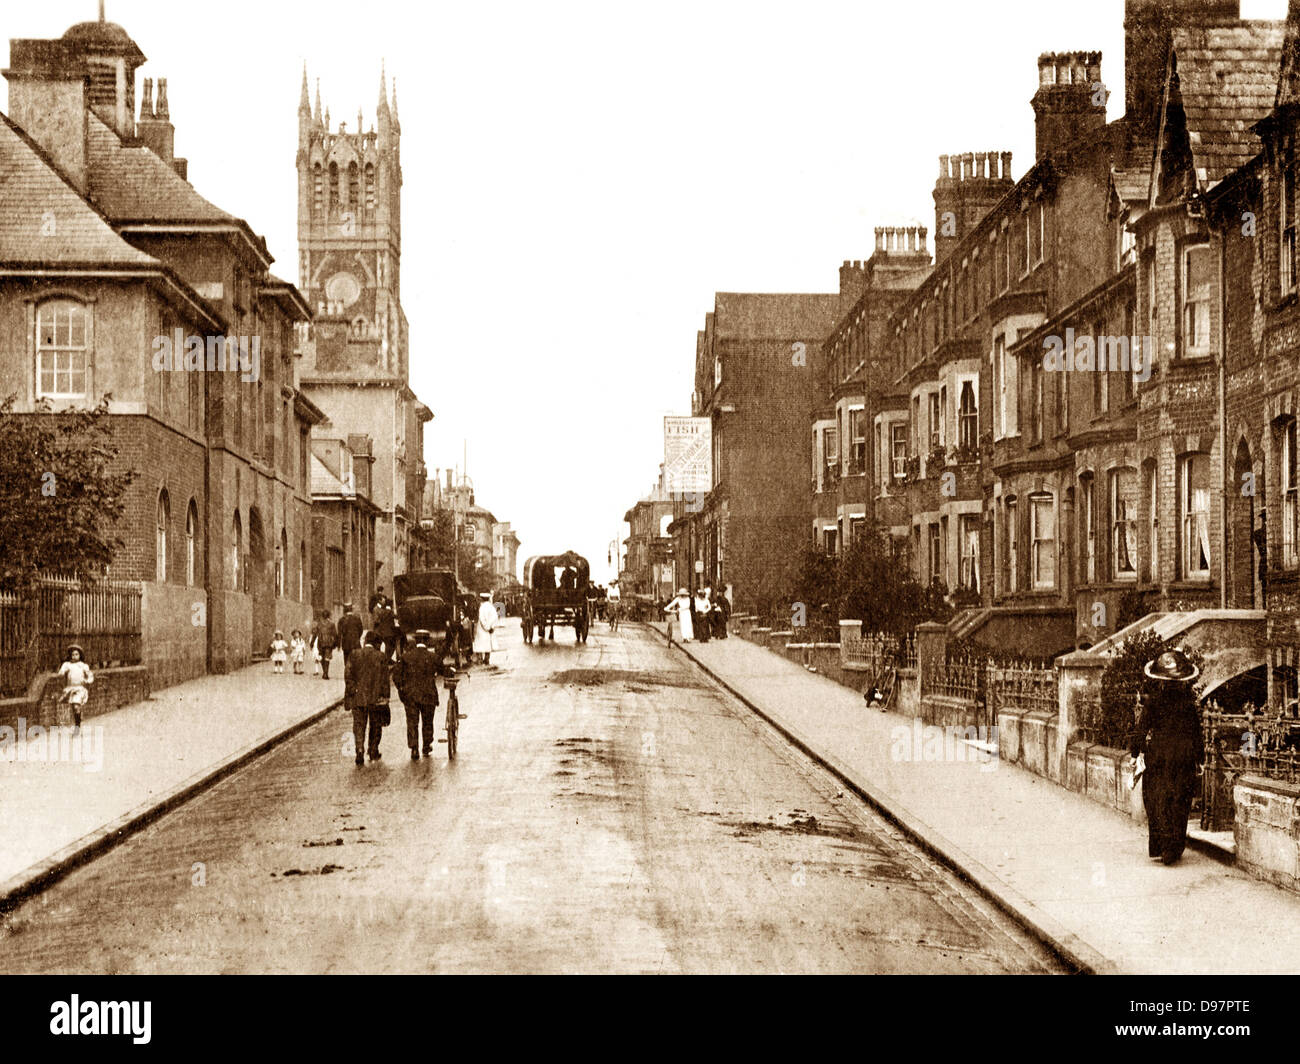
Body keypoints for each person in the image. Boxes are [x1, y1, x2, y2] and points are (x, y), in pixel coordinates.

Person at [1130, 649, 1203, 865]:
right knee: (1180, 800)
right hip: (1184, 756)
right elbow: (1196, 732)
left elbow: (1141, 729)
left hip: (1160, 755)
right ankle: (1174, 848)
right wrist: (1200, 759)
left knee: (1157, 799)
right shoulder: (1188, 703)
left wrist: (1135, 754)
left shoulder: (1154, 701)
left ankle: (1161, 845)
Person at [393, 629, 440, 760]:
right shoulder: (433, 657)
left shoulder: (406, 657)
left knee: (412, 722)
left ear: (415, 640)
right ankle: (426, 745)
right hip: (428, 694)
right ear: (428, 641)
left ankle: (414, 749)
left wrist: (402, 689)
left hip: (411, 695)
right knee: (427, 721)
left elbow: (396, 676)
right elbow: (443, 670)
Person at [346, 632, 391, 765]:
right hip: (376, 699)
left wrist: (352, 690)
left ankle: (359, 749)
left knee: (359, 725)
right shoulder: (381, 657)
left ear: (365, 641)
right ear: (377, 643)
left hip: (358, 697)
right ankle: (373, 750)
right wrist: (385, 696)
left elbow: (348, 675)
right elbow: (385, 680)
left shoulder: (354, 654)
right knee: (375, 725)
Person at [58, 644, 94, 733]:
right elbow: (61, 673)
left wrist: (87, 680)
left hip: (79, 689)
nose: (74, 656)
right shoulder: (67, 664)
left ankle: (77, 727)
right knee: (72, 708)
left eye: (76, 654)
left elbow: (90, 676)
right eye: (73, 654)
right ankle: (75, 723)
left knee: (76, 706)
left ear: (80, 655)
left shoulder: (83, 665)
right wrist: (62, 671)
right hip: (70, 688)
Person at [337, 603, 364, 673]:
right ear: (351, 609)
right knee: (356, 658)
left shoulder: (342, 620)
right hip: (356, 643)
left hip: (346, 643)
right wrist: (357, 637)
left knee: (346, 659)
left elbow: (339, 633)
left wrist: (338, 645)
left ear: (344, 610)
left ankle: (348, 673)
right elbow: (361, 630)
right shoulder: (357, 619)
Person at [474, 592, 497, 665]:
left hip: (482, 629)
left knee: (480, 645)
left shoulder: (482, 607)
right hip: (489, 629)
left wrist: (486, 627)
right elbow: (495, 618)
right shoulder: (492, 607)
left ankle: (480, 659)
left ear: (482, 599)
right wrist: (491, 627)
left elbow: (481, 619)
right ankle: (487, 659)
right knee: (488, 645)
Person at [372, 597, 398, 662]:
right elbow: (376, 620)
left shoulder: (382, 610)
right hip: (382, 632)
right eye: (383, 600)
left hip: (382, 631)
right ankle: (385, 659)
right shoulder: (377, 609)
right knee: (388, 646)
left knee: (386, 646)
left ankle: (385, 659)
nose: (384, 602)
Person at [315, 610, 338, 680]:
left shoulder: (319, 624)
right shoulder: (332, 624)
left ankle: (325, 672)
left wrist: (312, 642)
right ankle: (326, 673)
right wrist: (336, 644)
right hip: (329, 643)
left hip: (321, 642)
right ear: (329, 615)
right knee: (327, 658)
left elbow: (315, 634)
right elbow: (335, 634)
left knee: (322, 657)